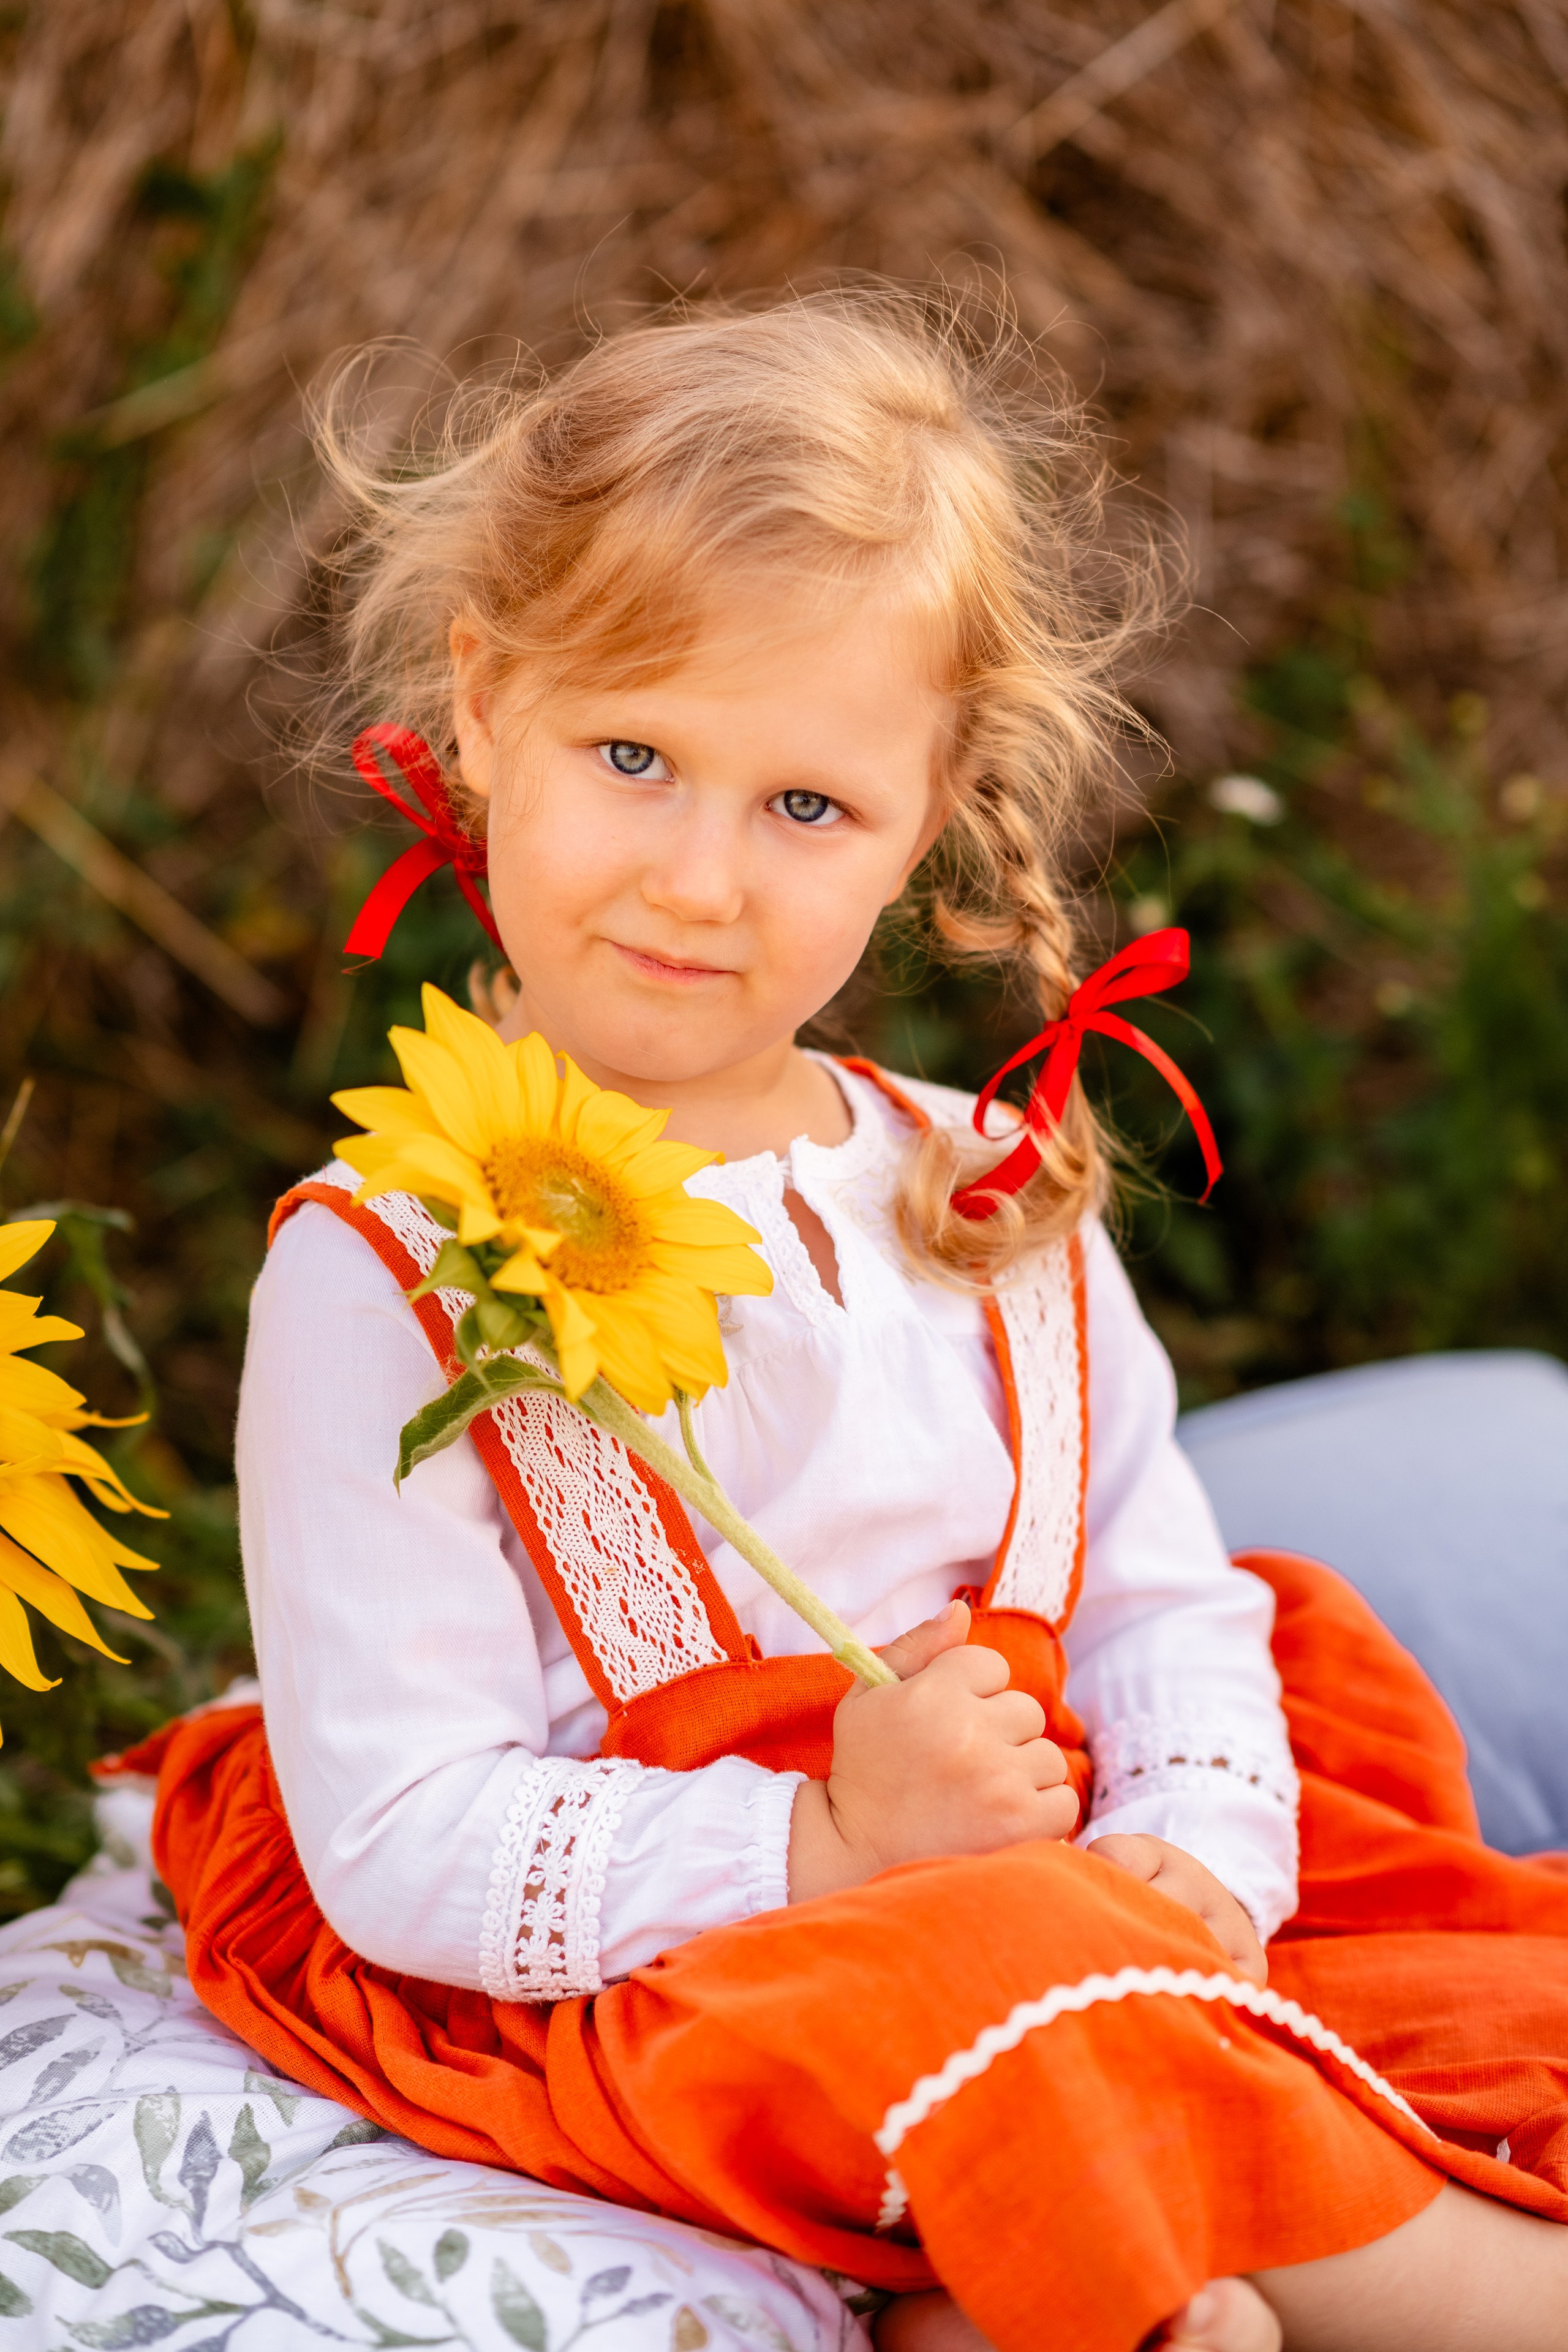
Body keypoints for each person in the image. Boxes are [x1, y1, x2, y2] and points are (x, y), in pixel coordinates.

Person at [137, 295, 1568, 2352]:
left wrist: (1193, 1858)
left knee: (1392, 1988)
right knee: (1014, 2008)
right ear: (480, 706)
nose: (700, 880)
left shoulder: (982, 1195)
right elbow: (402, 1833)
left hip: (1036, 1867)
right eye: (632, 759)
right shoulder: (388, 1272)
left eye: (806, 807)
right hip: (705, 1954)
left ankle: (1072, 2276)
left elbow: (1164, 1602)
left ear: (926, 819)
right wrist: (823, 1836)